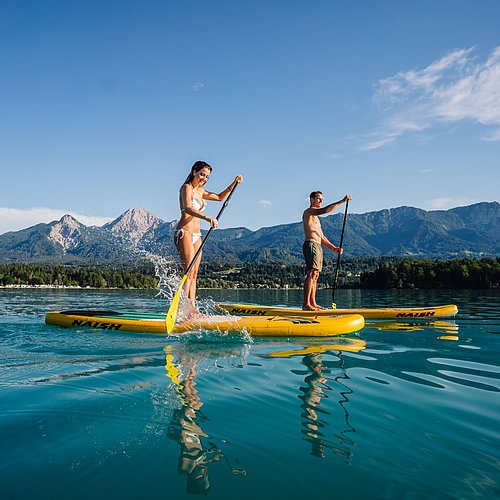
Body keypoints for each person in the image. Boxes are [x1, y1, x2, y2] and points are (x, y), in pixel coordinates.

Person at [174, 160, 242, 315]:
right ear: (193, 172)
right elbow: (188, 208)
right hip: (184, 232)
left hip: (197, 235)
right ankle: (183, 309)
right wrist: (207, 218)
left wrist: (234, 183)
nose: (204, 178)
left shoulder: (201, 191)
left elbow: (219, 197)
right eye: (201, 174)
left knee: (195, 274)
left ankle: (192, 308)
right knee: (188, 272)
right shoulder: (187, 188)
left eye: (207, 177)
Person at [302, 191, 352, 310]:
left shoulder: (316, 220)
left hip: (318, 246)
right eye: (318, 199)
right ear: (312, 200)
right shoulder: (309, 212)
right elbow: (325, 210)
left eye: (321, 199)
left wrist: (333, 248)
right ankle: (306, 304)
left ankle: (312, 303)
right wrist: (341, 201)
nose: (321, 201)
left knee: (316, 275)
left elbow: (322, 237)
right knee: (312, 273)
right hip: (311, 244)